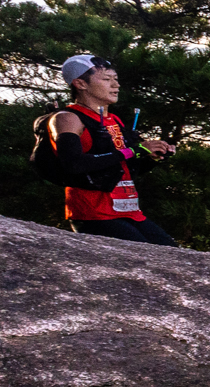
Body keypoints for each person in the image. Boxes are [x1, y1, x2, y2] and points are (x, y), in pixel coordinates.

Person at [48, 53, 178, 245]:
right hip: (93, 214)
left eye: (116, 79)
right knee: (147, 259)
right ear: (80, 84)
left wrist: (152, 157)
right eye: (107, 79)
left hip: (129, 211)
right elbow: (73, 164)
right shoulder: (68, 118)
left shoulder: (114, 120)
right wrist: (134, 150)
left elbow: (124, 169)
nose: (116, 85)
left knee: (173, 253)